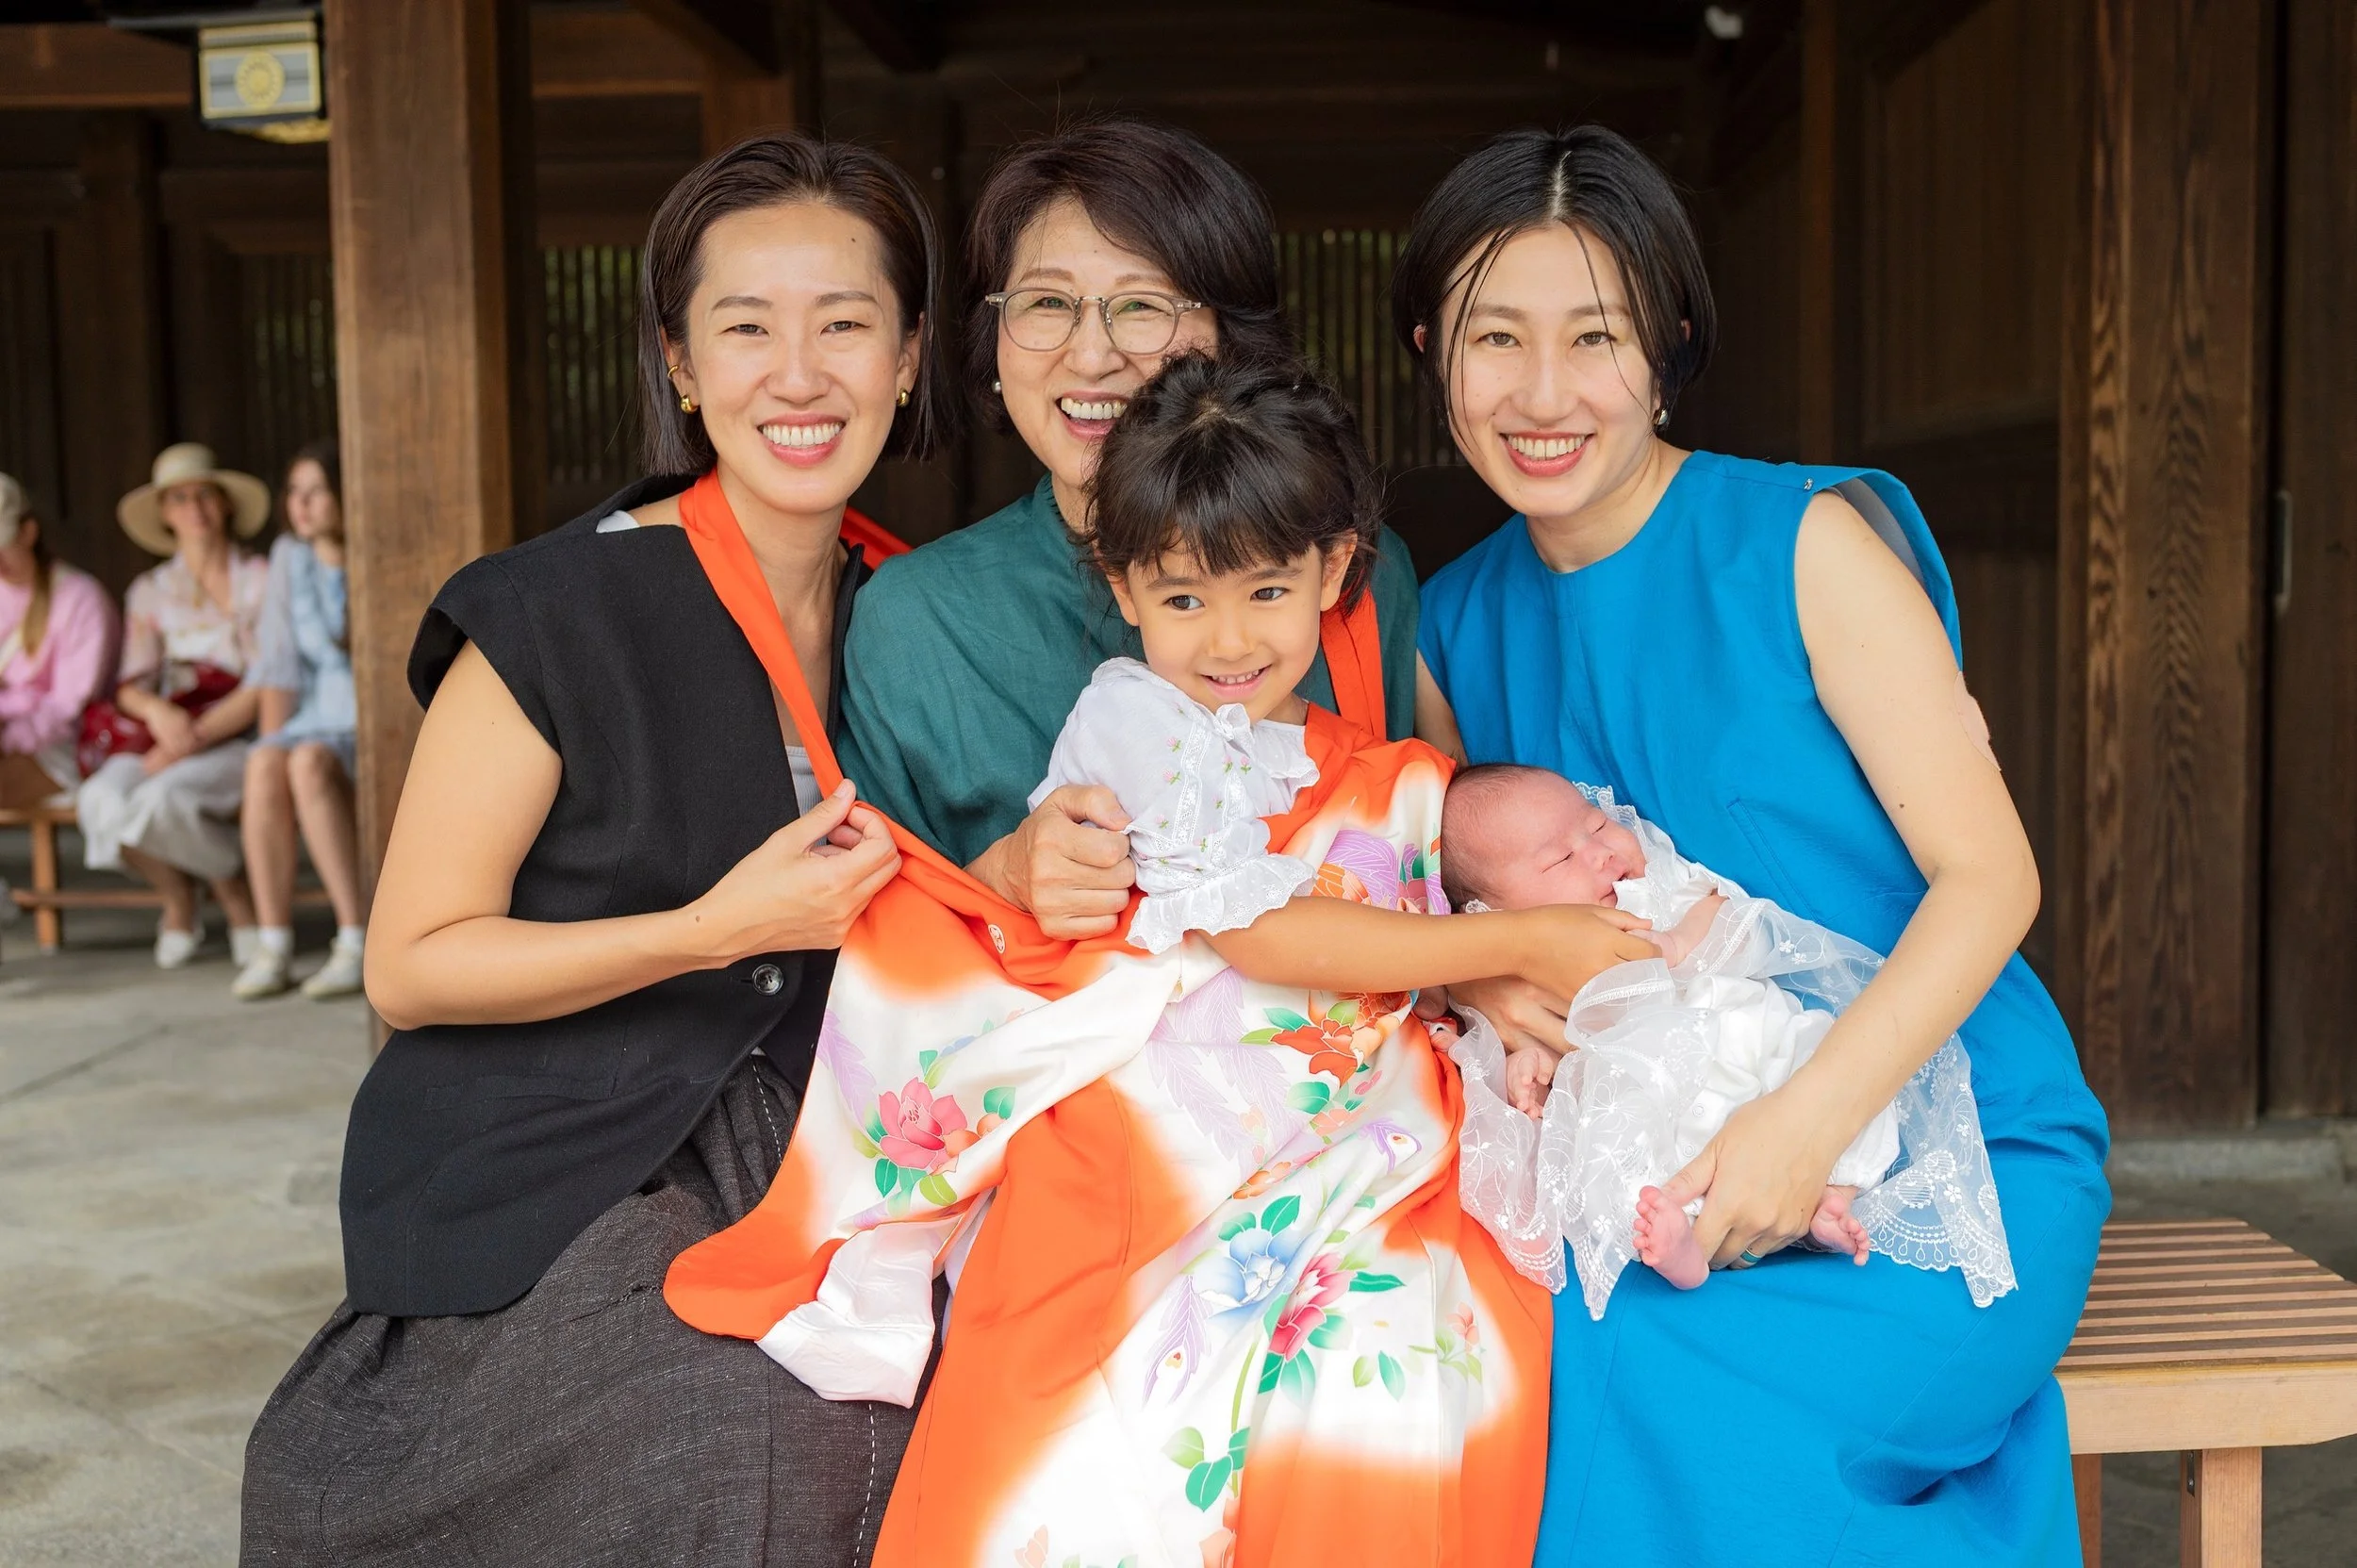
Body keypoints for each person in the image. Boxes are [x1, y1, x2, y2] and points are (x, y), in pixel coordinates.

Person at [668, 353, 1645, 1568]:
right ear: (1123, 587)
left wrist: (1490, 976)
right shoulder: (1134, 723)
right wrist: (1511, 940)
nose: (1226, 641)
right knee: (1097, 1434)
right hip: (1155, 1102)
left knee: (1389, 1359)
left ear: (1338, 571)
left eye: (1267, 592)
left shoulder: (1393, 770)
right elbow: (1251, 928)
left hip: (1361, 1130)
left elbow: (1446, 929)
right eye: (1182, 598)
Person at [240, 132, 951, 1564]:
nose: (798, 373)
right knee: (739, 1430)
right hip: (576, 1146)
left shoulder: (929, 611)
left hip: (850, 1135)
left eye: (846, 324)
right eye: (745, 326)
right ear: (682, 364)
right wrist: (713, 925)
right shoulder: (558, 609)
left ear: (912, 356)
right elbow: (412, 964)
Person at [1404, 126, 2110, 1565]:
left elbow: (1996, 876)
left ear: (1667, 340)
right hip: (1642, 1166)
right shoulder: (1450, 629)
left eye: (1594, 335)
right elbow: (1430, 912)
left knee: (1643, 1393)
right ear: (1431, 348)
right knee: (1460, 1362)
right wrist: (1478, 974)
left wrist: (1797, 1130)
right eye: (1495, 339)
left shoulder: (1800, 543)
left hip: (1935, 1144)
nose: (1543, 395)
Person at [837, 119, 1435, 941]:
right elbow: (860, 944)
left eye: (1142, 307)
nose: (1091, 356)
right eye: (1047, 303)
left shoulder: (1363, 575)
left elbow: (1440, 852)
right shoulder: (915, 621)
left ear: (1230, 335)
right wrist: (1004, 873)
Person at [1438, 762, 2014, 1324]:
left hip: (1754, 1044)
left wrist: (1678, 942)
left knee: (1838, 1053)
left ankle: (1836, 1192)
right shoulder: (1520, 974)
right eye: (1561, 858)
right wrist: (1528, 1070)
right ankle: (1690, 1246)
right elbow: (1533, 1045)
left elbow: (1729, 915)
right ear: (1495, 915)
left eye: (1595, 825)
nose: (1602, 852)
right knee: (1617, 1163)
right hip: (1661, 1101)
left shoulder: (1654, 888)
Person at [78, 443, 271, 968]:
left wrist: (196, 738)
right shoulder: (150, 589)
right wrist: (162, 717)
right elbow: (130, 684)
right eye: (179, 499)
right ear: (165, 513)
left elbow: (268, 680)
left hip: (239, 732)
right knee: (100, 800)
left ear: (225, 502)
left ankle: (233, 895)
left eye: (204, 494)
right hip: (169, 728)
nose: (194, 509)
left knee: (161, 801)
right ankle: (180, 894)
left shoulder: (260, 578)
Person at [233, 441, 366, 1000]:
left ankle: (355, 939)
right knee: (265, 761)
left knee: (307, 763)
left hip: (369, 721)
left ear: (343, 493)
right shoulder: (290, 556)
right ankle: (273, 942)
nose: (302, 505)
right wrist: (271, 740)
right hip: (315, 716)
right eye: (294, 492)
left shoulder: (372, 545)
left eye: (316, 491)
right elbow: (279, 665)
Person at [0, 472, 119, 810]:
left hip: (65, 751)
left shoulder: (81, 599)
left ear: (28, 532)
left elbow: (69, 708)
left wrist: (9, 737)